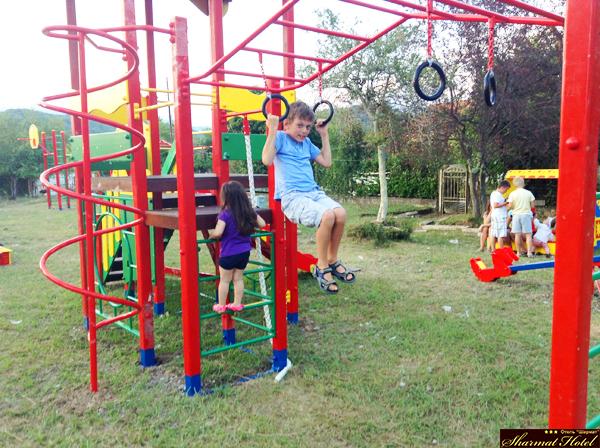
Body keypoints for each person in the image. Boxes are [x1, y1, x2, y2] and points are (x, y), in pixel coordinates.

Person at [262, 101, 356, 294]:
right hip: (292, 197)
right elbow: (266, 160)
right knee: (327, 216)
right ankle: (321, 266)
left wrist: (324, 135)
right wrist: (272, 130)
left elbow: (327, 162)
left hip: (313, 193)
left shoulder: (306, 144)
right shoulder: (280, 138)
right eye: (300, 125)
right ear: (286, 124)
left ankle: (332, 259)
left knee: (340, 213)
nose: (304, 131)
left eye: (307, 127)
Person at [209, 181, 266, 313]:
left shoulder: (225, 214)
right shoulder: (248, 212)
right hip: (244, 253)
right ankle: (236, 303)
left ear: (226, 197)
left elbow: (218, 232)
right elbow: (262, 224)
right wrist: (253, 213)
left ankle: (221, 305)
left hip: (229, 253)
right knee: (238, 278)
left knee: (224, 280)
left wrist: (212, 235)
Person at [506, 176, 536, 258]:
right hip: (526, 215)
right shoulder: (529, 193)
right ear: (523, 183)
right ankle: (529, 253)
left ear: (514, 184)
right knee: (528, 235)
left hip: (516, 215)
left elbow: (510, 206)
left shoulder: (512, 194)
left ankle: (518, 253)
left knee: (517, 235)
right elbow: (533, 206)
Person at [489, 180, 510, 250]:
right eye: (506, 189)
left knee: (493, 233)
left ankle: (493, 250)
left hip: (495, 215)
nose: (506, 191)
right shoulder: (498, 194)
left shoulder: (494, 193)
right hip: (500, 217)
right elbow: (495, 205)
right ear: (502, 187)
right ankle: (502, 250)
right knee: (500, 235)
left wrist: (504, 200)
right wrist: (506, 202)